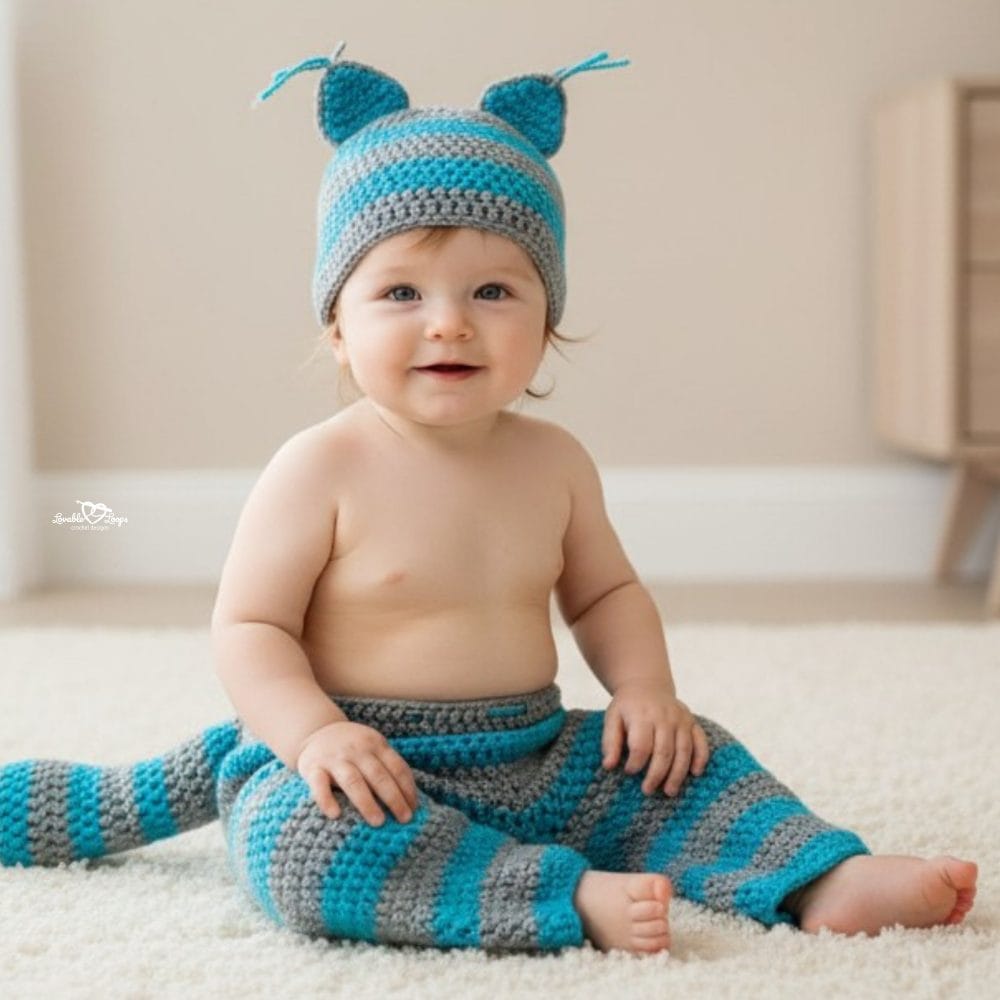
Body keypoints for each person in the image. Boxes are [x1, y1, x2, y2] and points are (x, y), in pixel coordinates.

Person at [0, 43, 977, 955]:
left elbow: (604, 596)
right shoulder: (318, 467)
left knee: (692, 762)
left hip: (537, 752)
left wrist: (643, 692)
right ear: (336, 324)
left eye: (494, 292)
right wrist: (313, 734)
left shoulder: (553, 462)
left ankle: (819, 877)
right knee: (301, 848)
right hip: (367, 761)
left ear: (546, 318)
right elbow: (250, 625)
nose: (449, 324)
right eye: (400, 294)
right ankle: (552, 897)